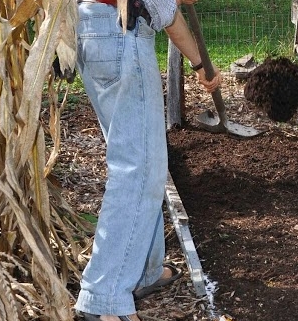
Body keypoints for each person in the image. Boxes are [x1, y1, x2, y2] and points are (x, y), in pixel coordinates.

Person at [74, 0, 221, 320]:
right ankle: (104, 297)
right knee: (138, 171)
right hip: (121, 34)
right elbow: (164, 9)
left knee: (146, 164)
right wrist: (199, 63)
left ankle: (144, 269)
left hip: (94, 29)